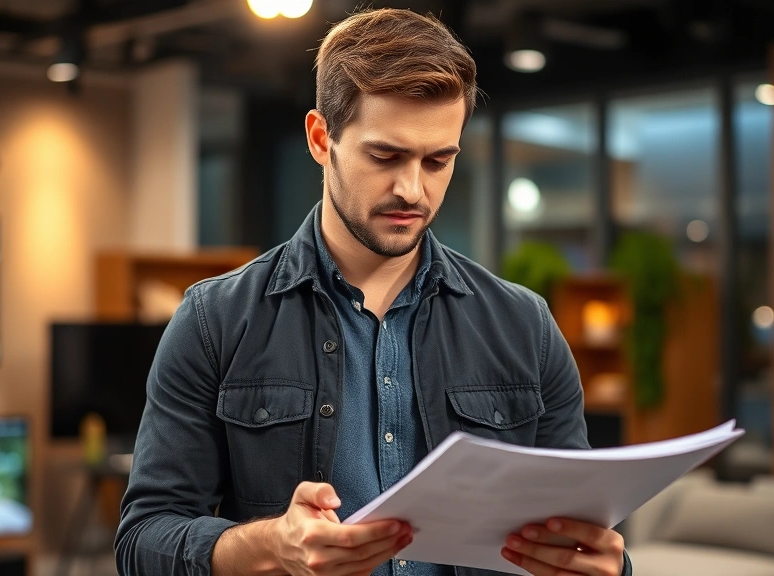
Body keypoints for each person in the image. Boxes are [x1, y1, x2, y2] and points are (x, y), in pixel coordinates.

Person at [116, 8, 631, 576]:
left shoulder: (523, 324)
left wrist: (607, 565)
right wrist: (272, 546)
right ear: (321, 139)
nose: (412, 189)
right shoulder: (216, 320)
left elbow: (577, 526)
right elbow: (143, 540)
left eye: (439, 160)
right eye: (385, 156)